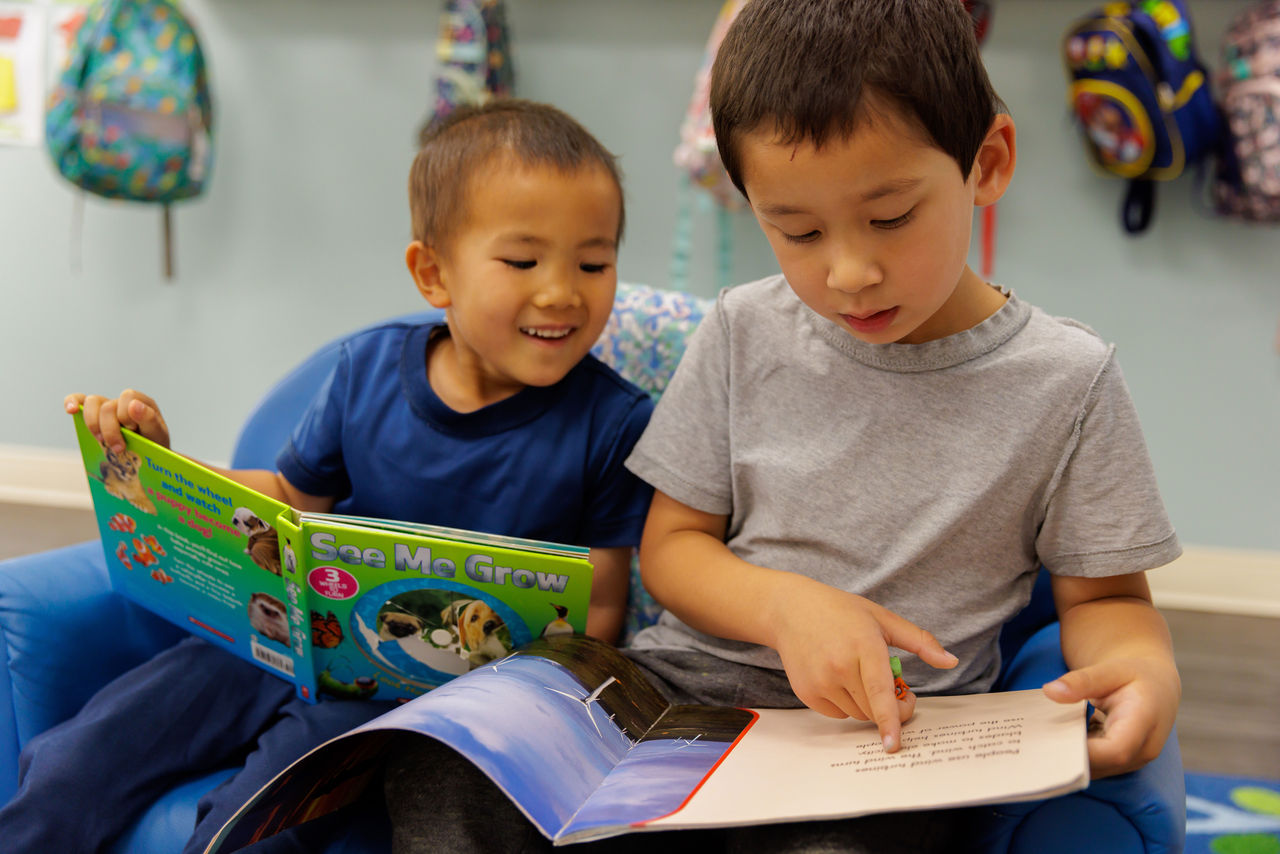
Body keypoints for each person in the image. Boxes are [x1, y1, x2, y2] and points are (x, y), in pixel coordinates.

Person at [386, 2, 1182, 853]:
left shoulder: (1069, 380)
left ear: (987, 163)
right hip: (674, 701)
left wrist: (1145, 668)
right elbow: (675, 549)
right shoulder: (742, 330)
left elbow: (1105, 599)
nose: (849, 272)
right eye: (796, 231)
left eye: (890, 217)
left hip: (886, 743)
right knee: (451, 760)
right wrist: (785, 610)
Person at [0, 98, 654, 854]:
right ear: (432, 272)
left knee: (257, 821)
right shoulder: (366, 371)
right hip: (273, 641)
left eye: (594, 263)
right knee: (85, 754)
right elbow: (285, 499)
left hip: (414, 693)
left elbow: (602, 606)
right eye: (522, 261)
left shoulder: (613, 423)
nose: (562, 291)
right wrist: (167, 465)